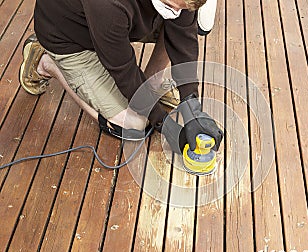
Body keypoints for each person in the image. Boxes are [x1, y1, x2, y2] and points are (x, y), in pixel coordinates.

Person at [19, 0, 222, 153]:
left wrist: (191, 105)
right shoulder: (108, 5)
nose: (177, 11)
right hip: (68, 37)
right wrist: (164, 124)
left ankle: (152, 83)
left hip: (112, 25)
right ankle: (47, 63)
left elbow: (183, 35)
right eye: (171, 5)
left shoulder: (174, 2)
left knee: (173, 22)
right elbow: (124, 72)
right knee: (134, 125)